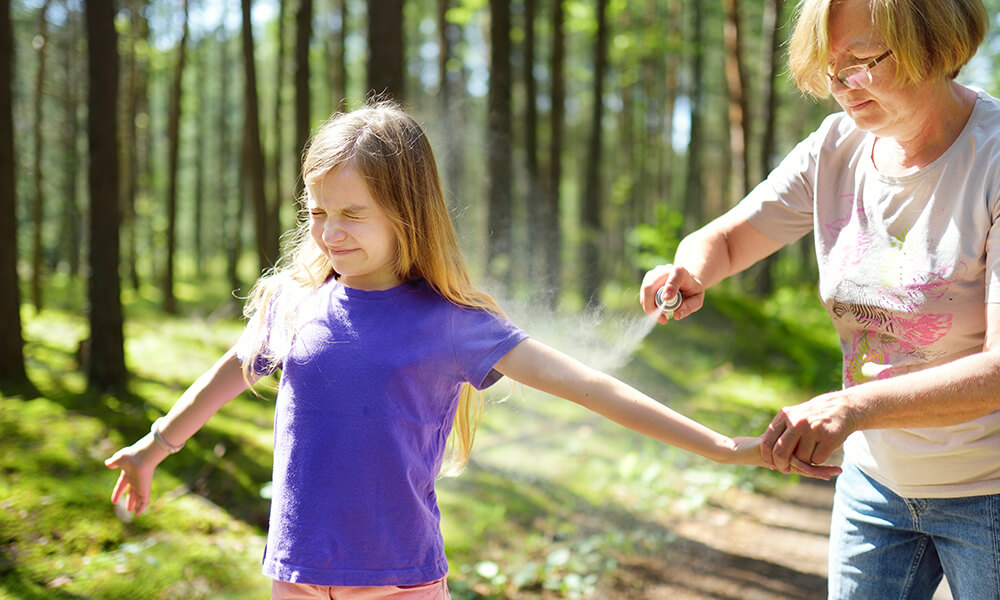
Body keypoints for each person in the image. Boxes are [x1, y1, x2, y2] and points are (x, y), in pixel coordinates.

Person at [104, 102, 835, 600]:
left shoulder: (451, 324)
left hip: (400, 581)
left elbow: (589, 387)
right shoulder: (292, 304)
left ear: (407, 211)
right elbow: (229, 373)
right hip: (293, 576)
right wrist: (154, 447)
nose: (329, 233)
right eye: (318, 212)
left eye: (352, 214)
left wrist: (722, 447)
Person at [640, 0, 1000, 598]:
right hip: (873, 486)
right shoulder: (836, 146)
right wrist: (686, 270)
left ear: (934, 43)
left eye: (862, 61)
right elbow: (726, 239)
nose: (842, 87)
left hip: (987, 489)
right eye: (832, 68)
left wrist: (850, 409)